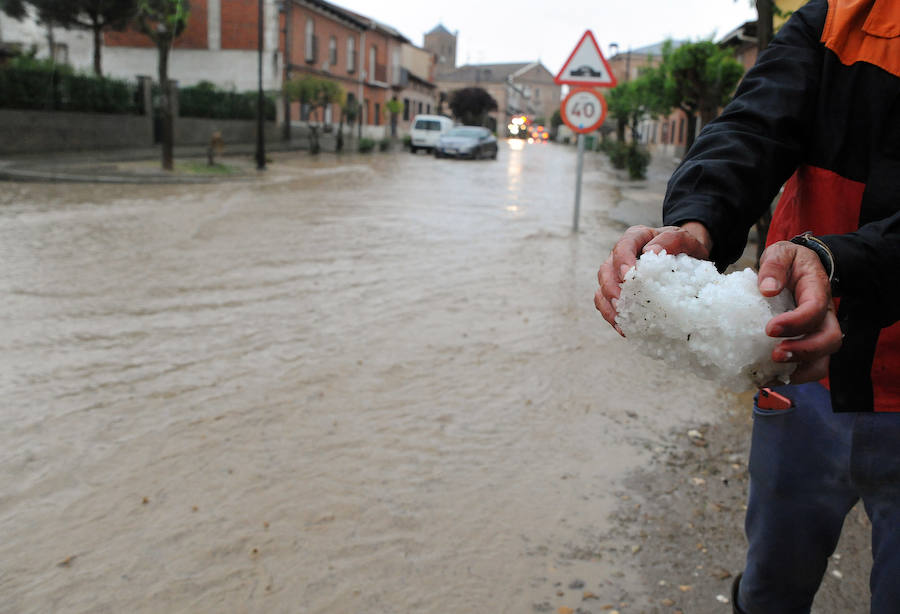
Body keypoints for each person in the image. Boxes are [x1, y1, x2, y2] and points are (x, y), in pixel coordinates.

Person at [594, 1, 900, 612]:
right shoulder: (843, 16)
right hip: (797, 370)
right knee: (770, 585)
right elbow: (751, 127)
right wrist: (694, 224)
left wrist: (838, 263)